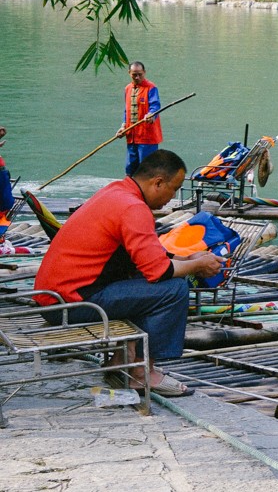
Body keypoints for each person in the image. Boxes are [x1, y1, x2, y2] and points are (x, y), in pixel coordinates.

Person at [31, 149, 222, 397]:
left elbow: (145, 256)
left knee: (146, 283)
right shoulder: (133, 208)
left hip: (54, 297)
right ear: (158, 183)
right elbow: (159, 271)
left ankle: (122, 361)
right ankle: (141, 373)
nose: (172, 197)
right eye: (173, 189)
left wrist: (187, 258)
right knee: (173, 289)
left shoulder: (116, 192)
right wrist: (197, 265)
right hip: (68, 304)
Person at [123, 61, 164, 174]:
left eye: (140, 74)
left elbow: (155, 105)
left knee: (146, 168)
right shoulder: (128, 88)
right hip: (131, 135)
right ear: (129, 73)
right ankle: (130, 184)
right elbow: (126, 110)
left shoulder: (151, 88)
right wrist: (123, 126)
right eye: (134, 75)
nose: (137, 77)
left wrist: (151, 114)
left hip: (147, 137)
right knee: (130, 167)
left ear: (144, 73)